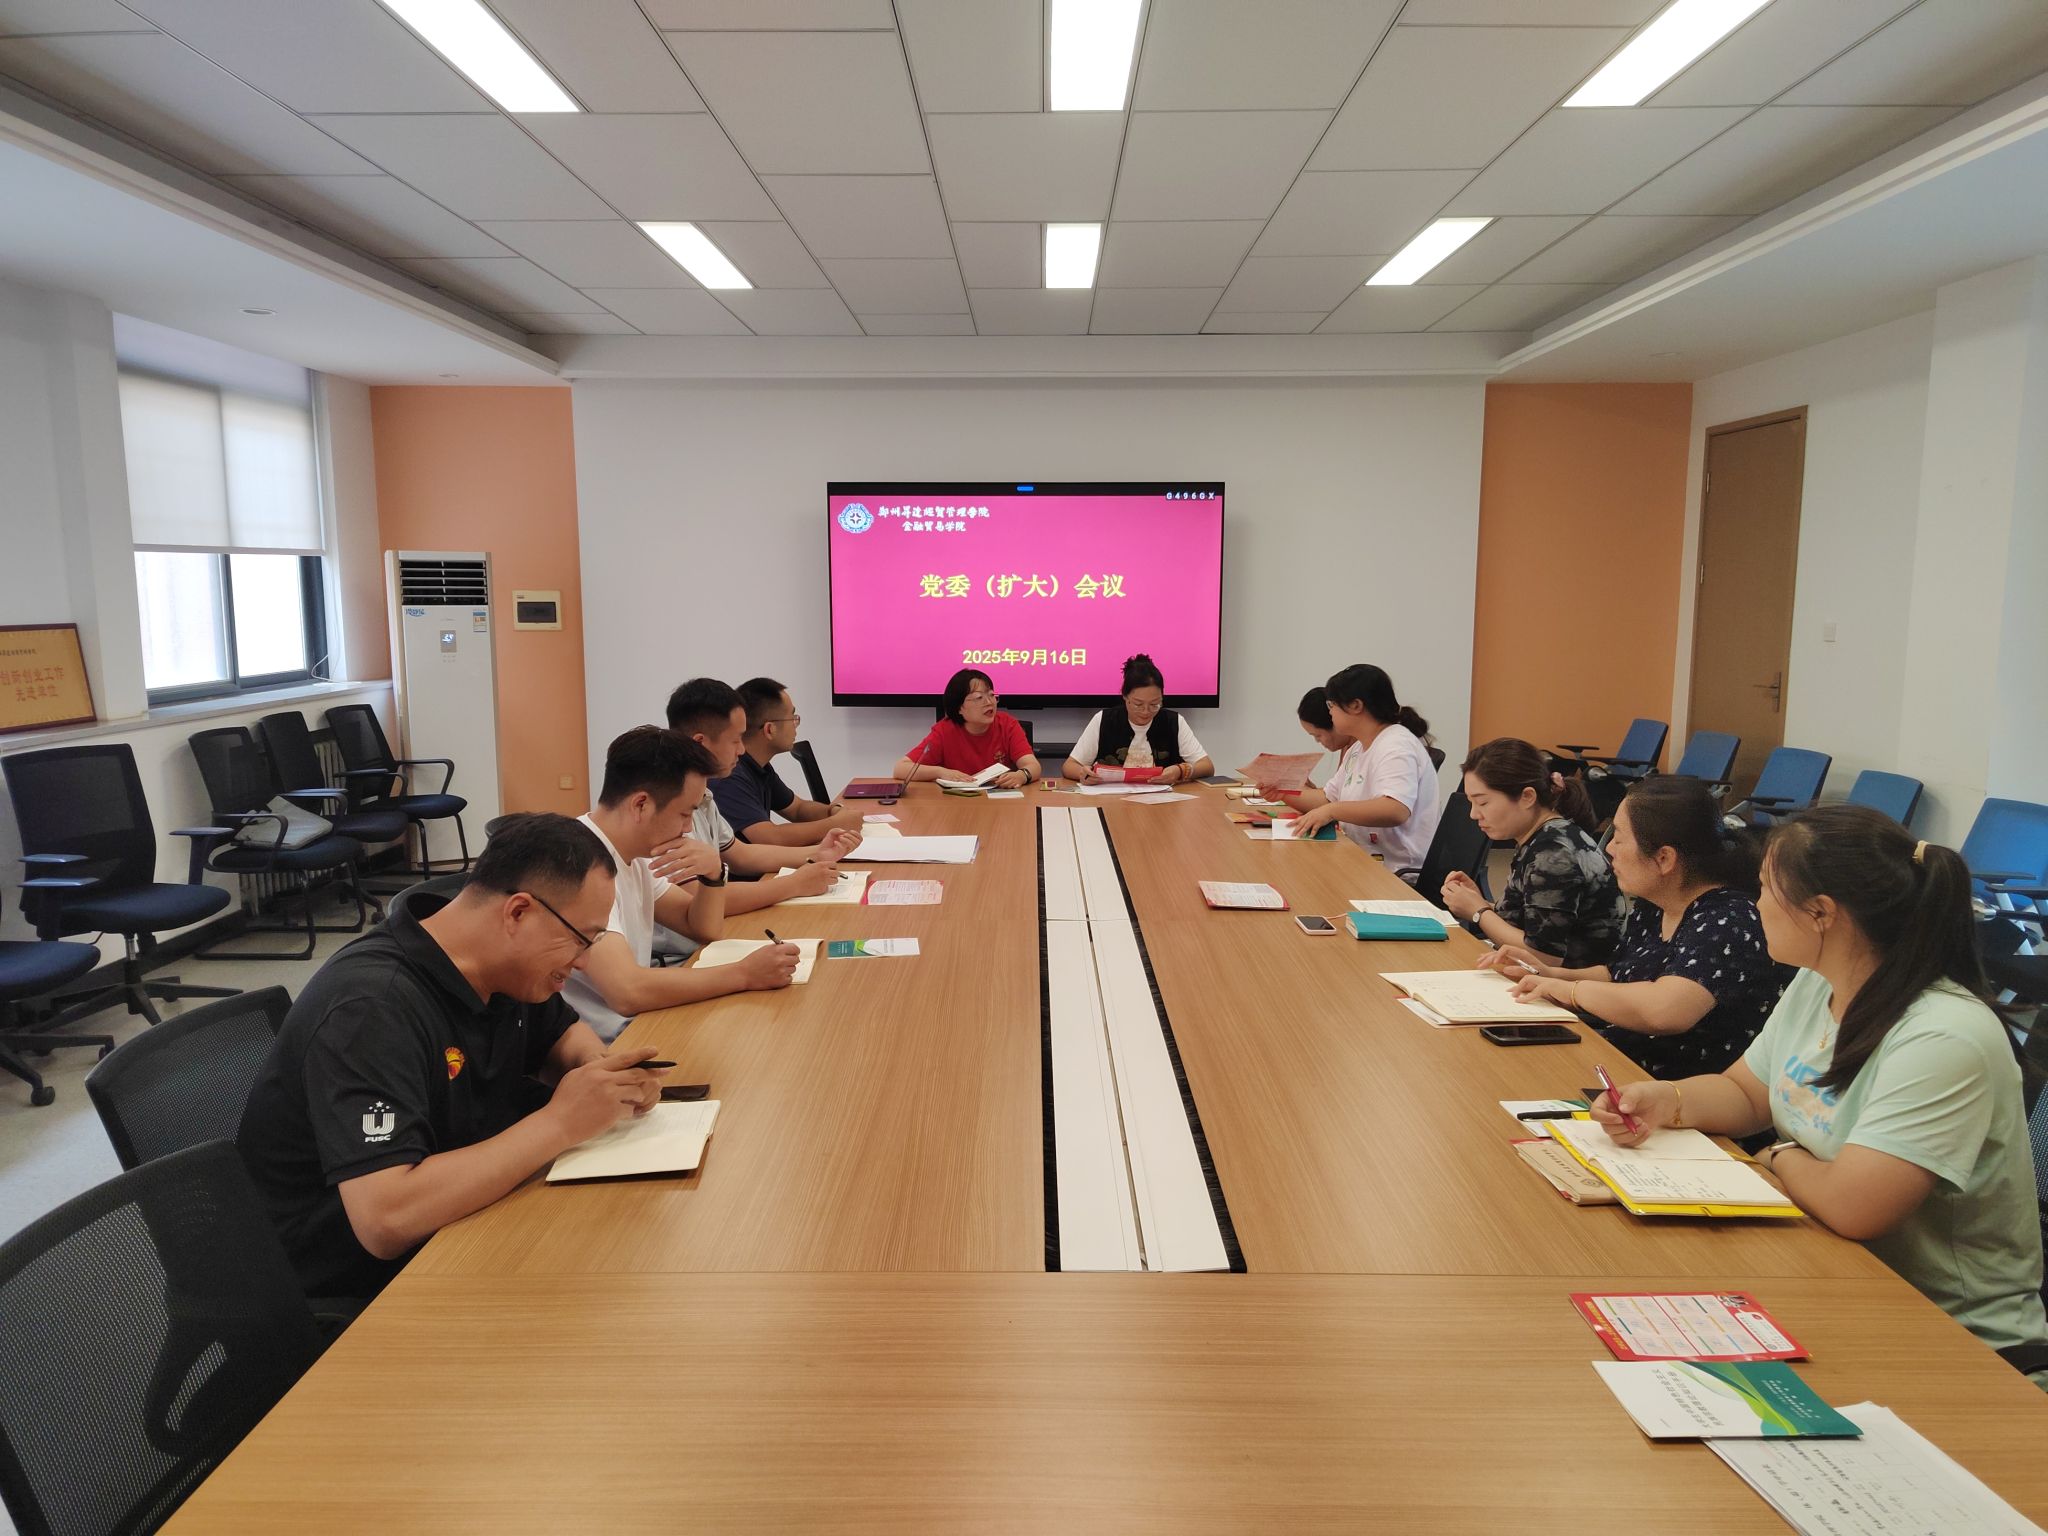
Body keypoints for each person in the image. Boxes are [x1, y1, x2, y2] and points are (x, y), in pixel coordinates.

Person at [1592, 806, 2048, 1383]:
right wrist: (1667, 1101)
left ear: (1821, 913)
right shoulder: (1818, 982)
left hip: (1949, 1337)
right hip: (1828, 1268)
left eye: (1765, 890)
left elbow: (1854, 1208)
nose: (1754, 905)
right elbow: (1745, 1093)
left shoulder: (1944, 1036)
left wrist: (1778, 1155)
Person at [237, 813, 668, 1300]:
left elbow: (561, 1034)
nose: (585, 960)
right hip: (356, 1291)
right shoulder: (370, 1009)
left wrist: (598, 1071)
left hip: (463, 1227)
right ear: (518, 913)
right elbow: (386, 1219)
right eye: (581, 938)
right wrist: (562, 1122)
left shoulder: (502, 966)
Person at [1492, 775, 1782, 1078]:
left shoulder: (1729, 919)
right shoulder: (1656, 902)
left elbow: (1665, 1010)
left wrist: (1571, 991)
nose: (1610, 848)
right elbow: (1619, 974)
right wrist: (1548, 975)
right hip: (1622, 1063)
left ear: (1664, 858)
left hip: (1674, 1088)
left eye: (1619, 838)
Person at [563, 726, 800, 1044]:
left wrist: (713, 875)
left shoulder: (634, 853)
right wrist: (744, 974)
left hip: (642, 1022)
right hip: (609, 1044)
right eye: (685, 813)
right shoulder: (579, 865)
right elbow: (627, 992)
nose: (689, 828)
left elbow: (702, 928)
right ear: (641, 805)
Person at [665, 677, 858, 909]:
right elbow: (698, 900)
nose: (742, 750)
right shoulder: (667, 807)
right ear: (700, 743)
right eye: (735, 740)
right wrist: (795, 883)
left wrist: (819, 853)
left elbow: (741, 855)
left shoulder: (704, 795)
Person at [1441, 737, 1623, 968]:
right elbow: (1537, 921)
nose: (1474, 814)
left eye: (1483, 803)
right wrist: (1479, 901)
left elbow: (1544, 956)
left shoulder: (1554, 853)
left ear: (1527, 797)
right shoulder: (1544, 836)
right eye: (1471, 803)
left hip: (1568, 984)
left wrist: (1478, 911)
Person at [1269, 665, 1440, 871]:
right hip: (1362, 860)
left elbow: (1395, 810)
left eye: (1331, 705)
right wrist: (1282, 790)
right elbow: (1327, 799)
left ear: (1356, 706)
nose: (1329, 711)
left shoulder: (1396, 745)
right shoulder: (1359, 747)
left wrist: (1332, 811)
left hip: (1396, 872)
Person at [712, 676, 865, 849]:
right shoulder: (729, 775)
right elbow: (769, 838)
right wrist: (836, 824)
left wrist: (833, 811)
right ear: (770, 729)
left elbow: (797, 809)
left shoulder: (760, 766)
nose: (795, 724)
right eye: (792, 717)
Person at [1061, 652, 1216, 784]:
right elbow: (1069, 766)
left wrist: (1181, 770)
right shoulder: (1104, 720)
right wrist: (1083, 773)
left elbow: (1207, 766)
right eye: (1138, 704)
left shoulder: (1173, 721)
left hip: (1162, 802)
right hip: (1112, 801)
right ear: (1125, 696)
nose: (1146, 711)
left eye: (1154, 704)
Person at [891, 668, 1041, 789]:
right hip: (956, 804)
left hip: (999, 801)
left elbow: (1033, 765)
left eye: (991, 695)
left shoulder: (1007, 725)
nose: (989, 702)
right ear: (959, 708)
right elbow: (901, 769)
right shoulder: (944, 731)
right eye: (979, 697)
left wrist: (1022, 775)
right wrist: (941, 772)